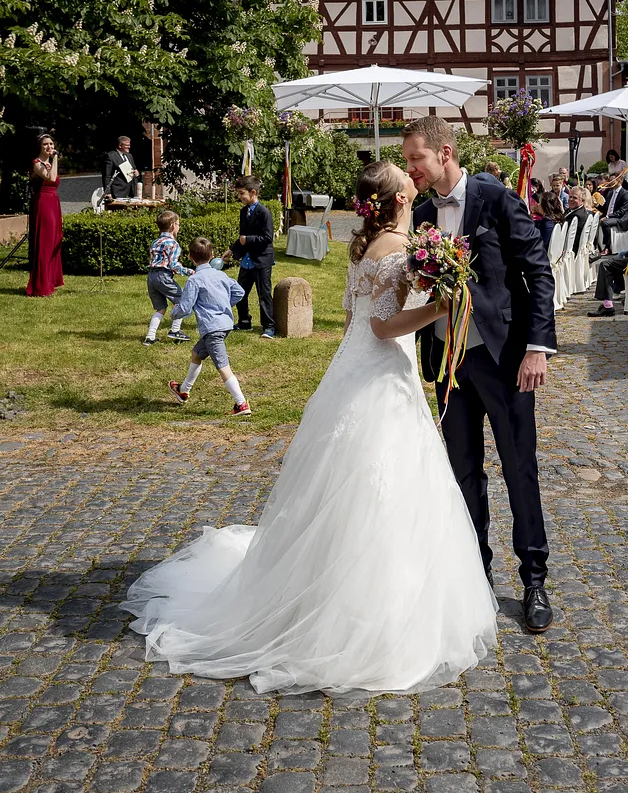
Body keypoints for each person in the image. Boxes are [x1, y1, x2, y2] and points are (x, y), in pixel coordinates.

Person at [124, 162, 498, 692]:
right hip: (380, 373)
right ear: (397, 198)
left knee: (354, 482)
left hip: (356, 368)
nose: (413, 180)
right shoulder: (394, 248)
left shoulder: (365, 246)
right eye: (405, 178)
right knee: (382, 483)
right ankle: (368, 611)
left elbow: (350, 321)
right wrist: (440, 305)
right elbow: (381, 326)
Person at [403, 117, 557, 634]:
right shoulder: (422, 215)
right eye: (407, 161)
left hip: (503, 358)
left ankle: (534, 580)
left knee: (519, 469)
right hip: (449, 363)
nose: (411, 168)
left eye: (416, 159)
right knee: (464, 472)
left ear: (444, 153)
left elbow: (538, 271)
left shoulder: (496, 199)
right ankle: (477, 575)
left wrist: (536, 348)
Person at [167, 237, 250, 417]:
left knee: (223, 366)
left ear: (190, 257)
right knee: (197, 353)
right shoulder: (221, 275)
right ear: (212, 255)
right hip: (225, 325)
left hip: (212, 329)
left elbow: (185, 308)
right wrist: (224, 304)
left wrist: (174, 312)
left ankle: (241, 403)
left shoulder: (194, 280)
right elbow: (240, 292)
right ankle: (183, 391)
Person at [223, 175, 276, 338]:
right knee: (240, 292)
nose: (239, 197)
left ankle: (269, 326)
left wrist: (248, 239)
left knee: (264, 294)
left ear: (253, 192)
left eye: (241, 193)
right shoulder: (244, 211)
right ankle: (244, 321)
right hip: (247, 260)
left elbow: (267, 238)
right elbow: (242, 236)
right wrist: (232, 250)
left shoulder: (264, 213)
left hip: (261, 260)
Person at [143, 210, 193, 346]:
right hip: (163, 276)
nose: (179, 227)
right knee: (181, 301)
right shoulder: (173, 244)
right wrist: (189, 271)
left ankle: (150, 337)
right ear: (172, 226)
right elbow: (173, 265)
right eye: (178, 224)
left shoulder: (155, 242)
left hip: (151, 277)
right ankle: (175, 330)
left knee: (160, 308)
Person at [26, 133, 64, 298]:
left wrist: (53, 161)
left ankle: (50, 280)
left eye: (51, 144)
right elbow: (51, 177)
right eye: (46, 144)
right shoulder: (36, 163)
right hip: (43, 203)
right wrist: (55, 159)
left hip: (54, 202)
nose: (50, 147)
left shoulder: (49, 163)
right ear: (40, 147)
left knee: (54, 240)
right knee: (45, 243)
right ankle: (41, 285)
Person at [597, 174, 628, 253]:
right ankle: (597, 246)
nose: (610, 182)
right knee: (594, 220)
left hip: (620, 218)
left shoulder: (625, 194)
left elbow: (622, 211)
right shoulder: (610, 193)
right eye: (609, 180)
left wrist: (607, 217)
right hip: (610, 216)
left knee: (605, 222)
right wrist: (597, 205)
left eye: (612, 180)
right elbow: (605, 208)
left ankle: (607, 247)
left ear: (619, 181)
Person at [103, 135, 140, 199]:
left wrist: (136, 173)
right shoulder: (111, 156)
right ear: (120, 145)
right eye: (126, 145)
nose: (129, 147)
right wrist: (108, 192)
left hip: (131, 191)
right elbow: (107, 175)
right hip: (118, 191)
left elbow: (134, 169)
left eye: (129, 145)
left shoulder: (129, 156)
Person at [563, 185, 590, 254]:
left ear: (582, 201)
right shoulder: (572, 210)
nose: (571, 199)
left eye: (574, 198)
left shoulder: (577, 216)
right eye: (570, 197)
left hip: (570, 249)